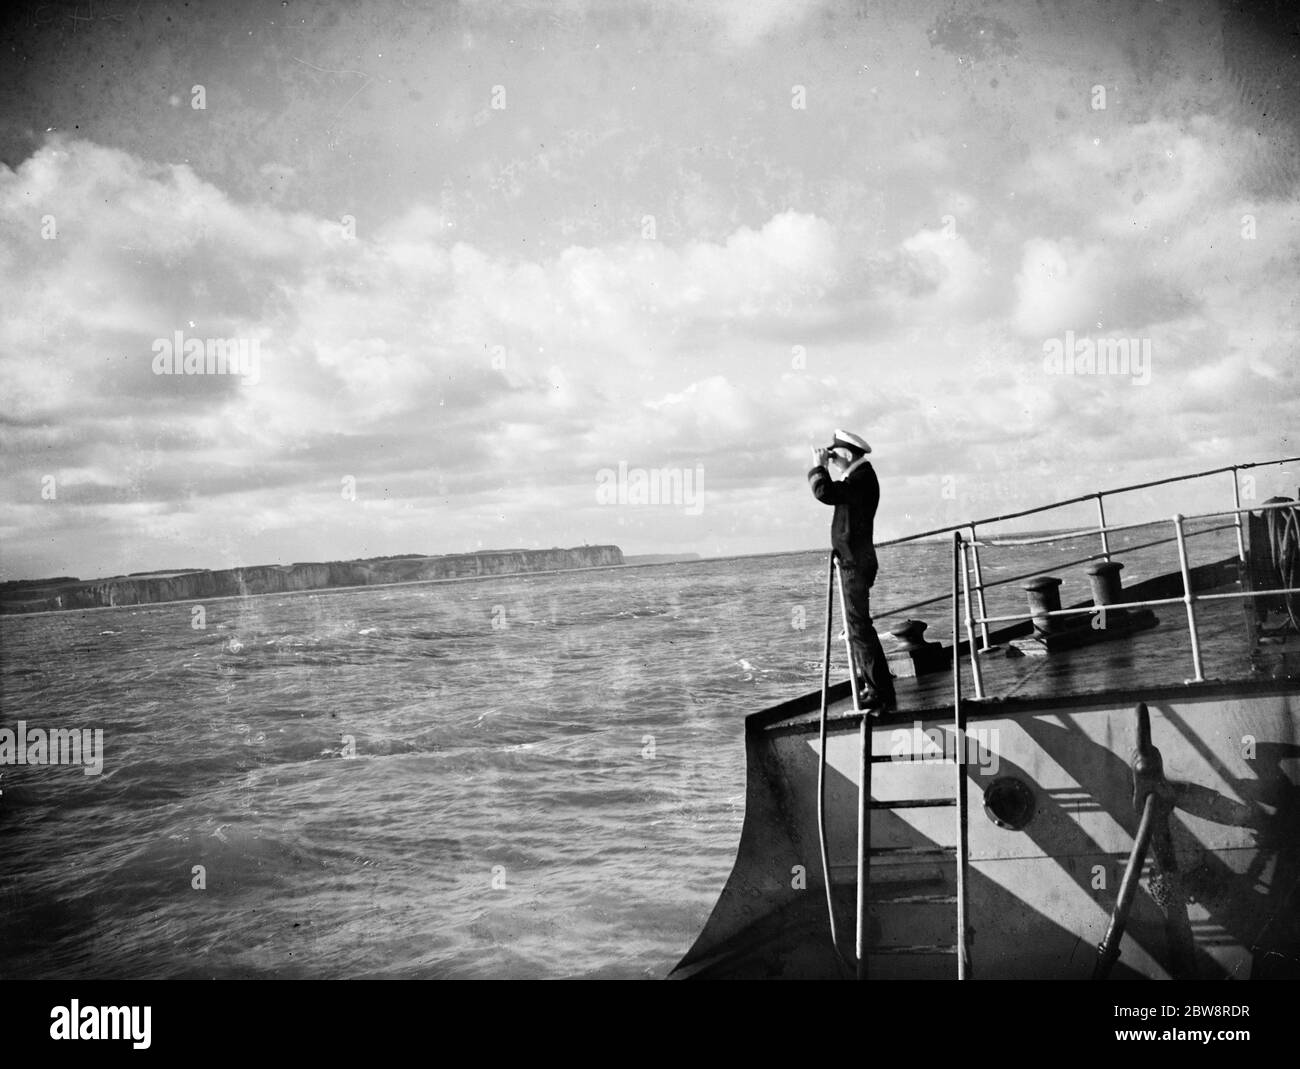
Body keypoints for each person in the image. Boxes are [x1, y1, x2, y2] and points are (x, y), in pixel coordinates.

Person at [808, 429, 896, 714]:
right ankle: (874, 686)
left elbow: (824, 492)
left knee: (859, 629)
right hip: (853, 561)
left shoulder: (860, 479)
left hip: (855, 563)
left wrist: (818, 467)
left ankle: (879, 691)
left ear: (846, 454)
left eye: (835, 456)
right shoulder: (858, 477)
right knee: (857, 628)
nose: (833, 461)